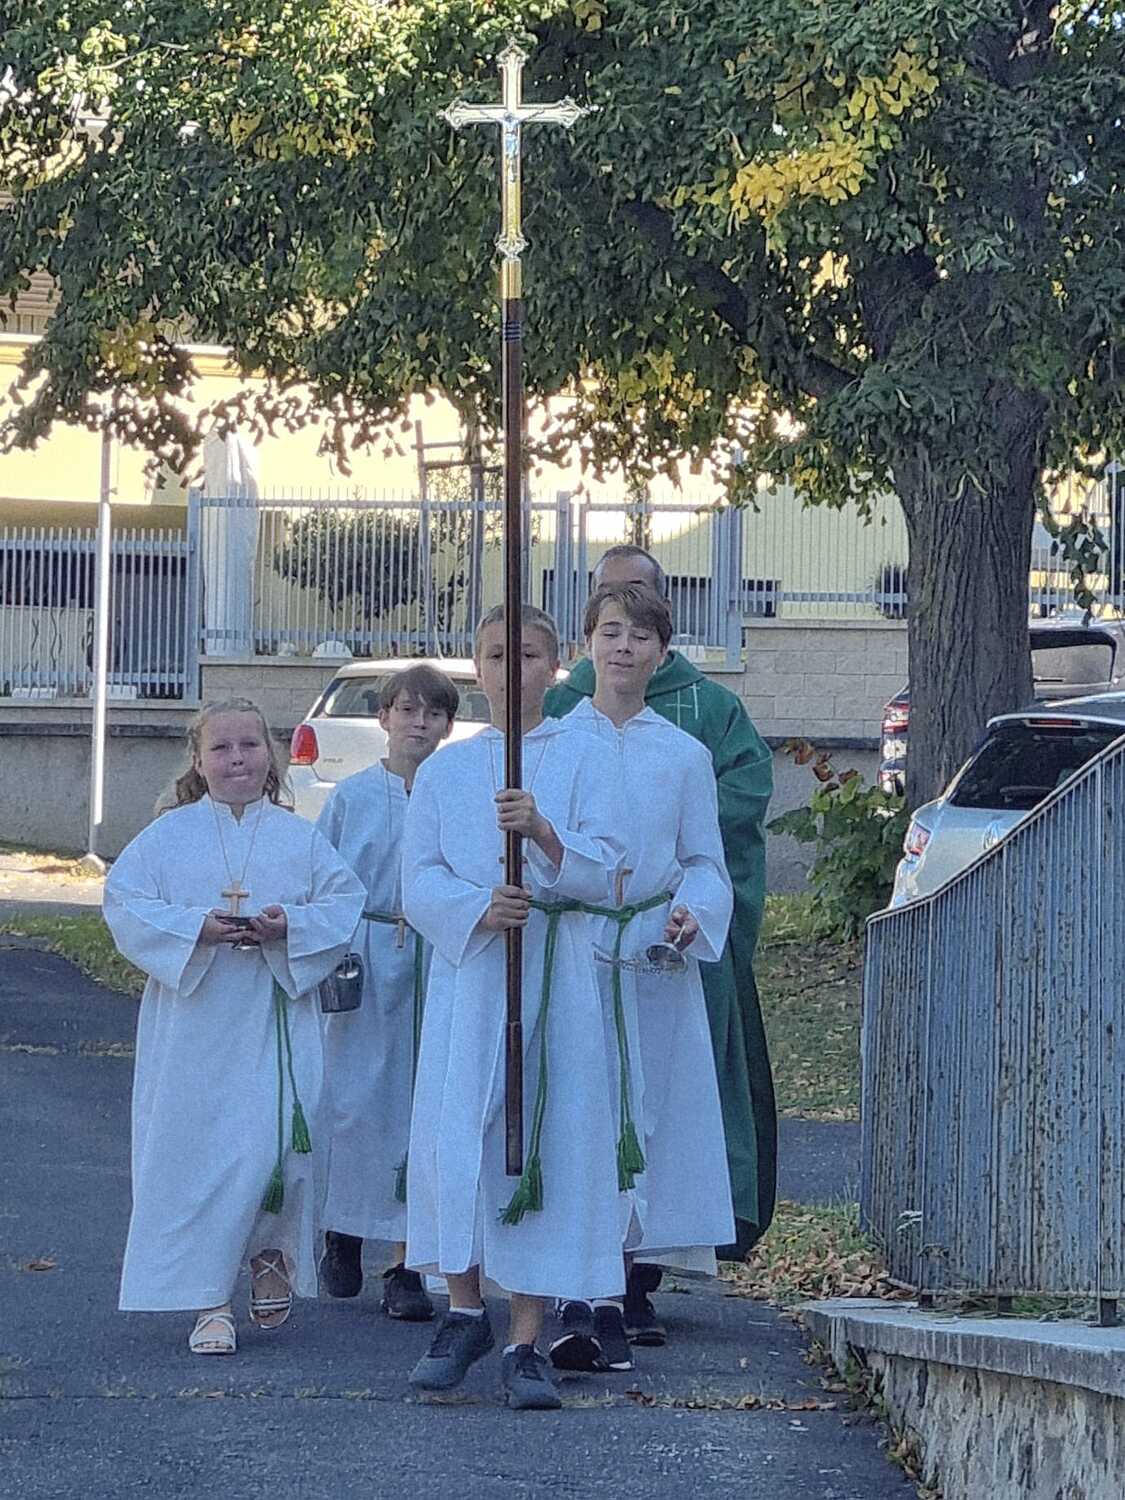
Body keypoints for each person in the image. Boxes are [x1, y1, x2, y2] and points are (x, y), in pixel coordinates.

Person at [401, 605, 628, 1410]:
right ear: (477, 666)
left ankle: (525, 1337)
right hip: (472, 976)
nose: (511, 669)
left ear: (555, 665)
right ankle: (464, 1309)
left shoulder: (588, 753)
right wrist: (475, 907)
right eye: (496, 654)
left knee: (540, 1137)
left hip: (553, 971)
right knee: (458, 1130)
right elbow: (416, 878)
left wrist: (544, 834)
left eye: (528, 654)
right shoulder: (447, 771)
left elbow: (613, 870)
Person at [544, 544, 776, 1304]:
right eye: (609, 622)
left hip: (652, 950)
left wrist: (692, 910)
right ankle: (572, 1276)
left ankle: (636, 1274)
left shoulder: (697, 731)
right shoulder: (554, 726)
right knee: (578, 1102)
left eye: (639, 625)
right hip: (577, 945)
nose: (623, 644)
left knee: (655, 1108)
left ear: (662, 630)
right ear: (587, 629)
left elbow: (709, 852)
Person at [103, 698, 366, 1356]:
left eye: (249, 745)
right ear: (198, 761)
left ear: (269, 757)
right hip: (193, 1027)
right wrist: (195, 927)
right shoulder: (167, 837)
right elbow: (125, 903)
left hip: (273, 1018)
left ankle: (270, 1251)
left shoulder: (299, 836)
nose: (237, 759)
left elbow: (343, 902)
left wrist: (288, 928)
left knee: (274, 1147)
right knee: (201, 1159)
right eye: (220, 748)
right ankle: (209, 1302)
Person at [316, 664, 458, 1321]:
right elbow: (322, 877)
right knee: (356, 1101)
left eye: (432, 714)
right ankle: (343, 1231)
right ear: (384, 718)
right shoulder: (352, 797)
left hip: (433, 953)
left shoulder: (454, 793)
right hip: (367, 952)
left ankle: (405, 1264)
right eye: (407, 711)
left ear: (447, 725)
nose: (418, 723)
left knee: (419, 1108)